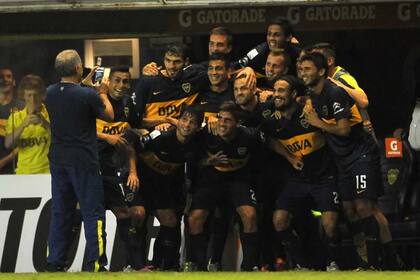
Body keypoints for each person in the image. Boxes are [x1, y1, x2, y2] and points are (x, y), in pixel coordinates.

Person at [301, 52, 387, 269]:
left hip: (361, 155)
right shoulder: (314, 95)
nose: (303, 73)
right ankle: (362, 262)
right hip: (342, 161)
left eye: (307, 69)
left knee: (364, 206)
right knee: (349, 210)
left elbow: (344, 129)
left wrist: (317, 123)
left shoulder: (335, 92)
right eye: (301, 69)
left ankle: (375, 264)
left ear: (321, 71)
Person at [45, 49, 114, 272]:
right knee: (93, 212)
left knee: (61, 212)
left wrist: (83, 84)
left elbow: (70, 95)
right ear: (78, 68)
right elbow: (109, 116)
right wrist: (102, 92)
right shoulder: (88, 95)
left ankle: (54, 264)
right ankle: (94, 264)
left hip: (58, 160)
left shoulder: (50, 93)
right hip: (83, 160)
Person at [264, 75, 340, 270]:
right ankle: (302, 265)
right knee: (279, 220)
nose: (276, 95)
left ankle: (333, 264)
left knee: (330, 223)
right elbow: (272, 141)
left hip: (324, 178)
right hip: (296, 181)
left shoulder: (309, 112)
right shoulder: (273, 121)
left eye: (281, 91)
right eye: (275, 90)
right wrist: (290, 157)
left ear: (294, 94)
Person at [121, 106, 204, 271]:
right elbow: (131, 146)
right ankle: (132, 265)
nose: (187, 125)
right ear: (178, 120)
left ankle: (158, 266)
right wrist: (132, 172)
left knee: (170, 221)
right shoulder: (161, 135)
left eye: (192, 123)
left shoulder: (197, 144)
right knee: (138, 214)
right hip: (139, 180)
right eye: (185, 120)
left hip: (161, 186)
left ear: (197, 127)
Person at [91, 65, 148, 271]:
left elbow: (129, 141)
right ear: (108, 81)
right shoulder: (94, 101)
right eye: (117, 80)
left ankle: (134, 265)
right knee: (91, 218)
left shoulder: (128, 106)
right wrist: (107, 137)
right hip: (90, 169)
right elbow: (79, 130)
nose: (121, 85)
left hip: (112, 170)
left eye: (125, 81)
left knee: (125, 214)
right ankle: (92, 266)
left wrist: (133, 170)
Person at [135, 43, 207, 130]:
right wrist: (165, 121)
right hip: (155, 133)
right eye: (168, 60)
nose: (171, 66)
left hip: (185, 132)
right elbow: (135, 121)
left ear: (186, 62)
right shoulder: (148, 82)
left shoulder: (195, 76)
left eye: (177, 62)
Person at [5, 74, 50, 174]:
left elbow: (61, 139)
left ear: (42, 95)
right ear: (23, 96)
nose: (33, 100)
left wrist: (45, 123)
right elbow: (8, 144)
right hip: (23, 173)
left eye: (36, 95)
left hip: (47, 173)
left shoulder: (51, 115)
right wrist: (23, 125)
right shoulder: (15, 117)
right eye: (29, 95)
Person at [235, 20, 301, 76]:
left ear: (288, 37)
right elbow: (233, 69)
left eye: (276, 35)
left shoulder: (298, 54)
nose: (271, 38)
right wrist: (247, 69)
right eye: (269, 34)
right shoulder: (259, 52)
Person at [0, 67, 24, 174]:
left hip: (14, 167)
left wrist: (4, 162)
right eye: (1, 77)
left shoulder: (22, 107)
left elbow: (25, 140)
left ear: (14, 82)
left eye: (8, 76)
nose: (4, 79)